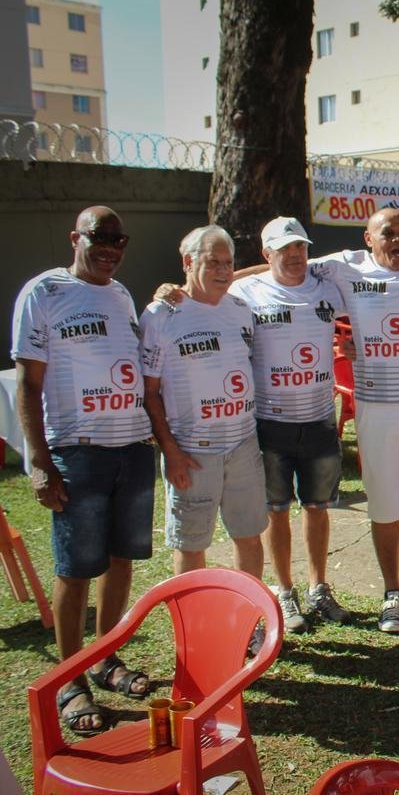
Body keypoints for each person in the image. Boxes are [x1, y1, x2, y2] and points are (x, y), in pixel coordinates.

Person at [13, 206, 155, 736]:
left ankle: (104, 657)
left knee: (121, 562)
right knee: (75, 569)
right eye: (101, 237)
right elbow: (28, 385)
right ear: (76, 237)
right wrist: (41, 464)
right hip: (79, 452)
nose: (111, 247)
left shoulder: (120, 295)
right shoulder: (43, 293)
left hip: (132, 449)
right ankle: (70, 680)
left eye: (119, 239)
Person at [307, 208, 399, 631]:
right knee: (385, 504)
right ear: (367, 238)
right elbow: (282, 269)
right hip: (376, 407)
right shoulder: (345, 266)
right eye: (388, 233)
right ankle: (392, 592)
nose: (398, 240)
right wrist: (190, 288)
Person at [227, 217, 351, 633]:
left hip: (318, 419)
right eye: (284, 250)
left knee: (318, 508)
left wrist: (347, 344)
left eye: (300, 247)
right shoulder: (244, 292)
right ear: (267, 255)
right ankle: (285, 591)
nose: (295, 256)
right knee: (275, 512)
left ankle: (319, 586)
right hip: (269, 424)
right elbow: (205, 289)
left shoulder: (326, 288)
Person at [140, 225, 267, 582]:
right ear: (187, 261)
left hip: (243, 445)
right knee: (191, 544)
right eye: (213, 263)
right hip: (192, 452)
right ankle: (193, 627)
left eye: (228, 263)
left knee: (250, 536)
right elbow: (149, 393)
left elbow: (268, 268)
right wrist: (171, 451)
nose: (224, 271)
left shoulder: (241, 309)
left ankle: (251, 620)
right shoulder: (160, 315)